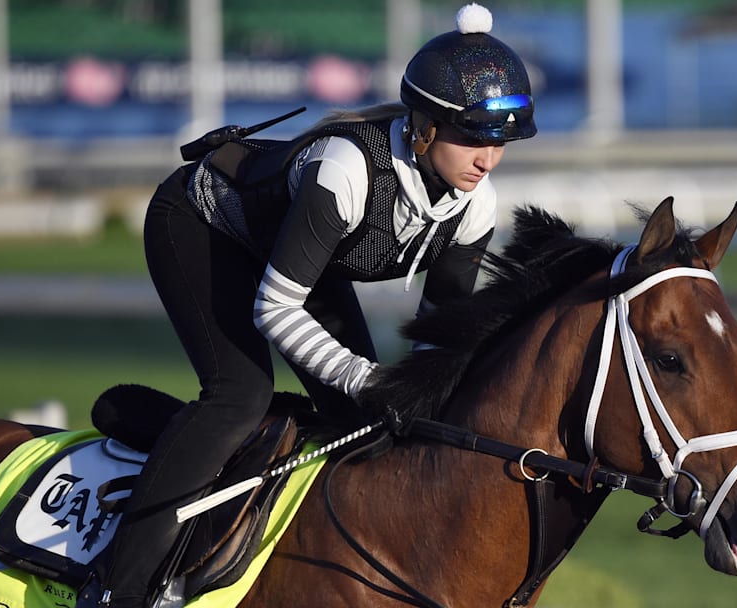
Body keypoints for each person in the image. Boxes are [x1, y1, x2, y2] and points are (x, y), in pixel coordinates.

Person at [93, 3, 536, 606]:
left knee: (369, 426)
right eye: (472, 140)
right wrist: (367, 376)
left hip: (298, 256)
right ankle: (119, 586)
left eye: (500, 144)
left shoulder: (476, 205)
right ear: (424, 127)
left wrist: (423, 395)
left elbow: (439, 337)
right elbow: (275, 308)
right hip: (200, 224)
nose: (487, 160)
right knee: (237, 395)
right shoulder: (347, 170)